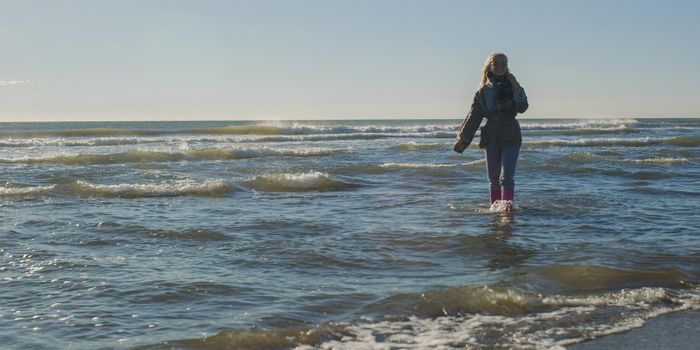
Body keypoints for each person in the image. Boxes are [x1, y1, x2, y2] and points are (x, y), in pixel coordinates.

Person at [453, 52, 528, 212]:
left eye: (504, 63)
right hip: (491, 135)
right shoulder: (482, 92)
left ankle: (507, 209)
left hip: (511, 134)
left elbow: (522, 108)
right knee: (493, 178)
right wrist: (463, 139)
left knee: (507, 177)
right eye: (497, 63)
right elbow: (474, 117)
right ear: (490, 66)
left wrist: (516, 88)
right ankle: (494, 209)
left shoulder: (514, 86)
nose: (501, 66)